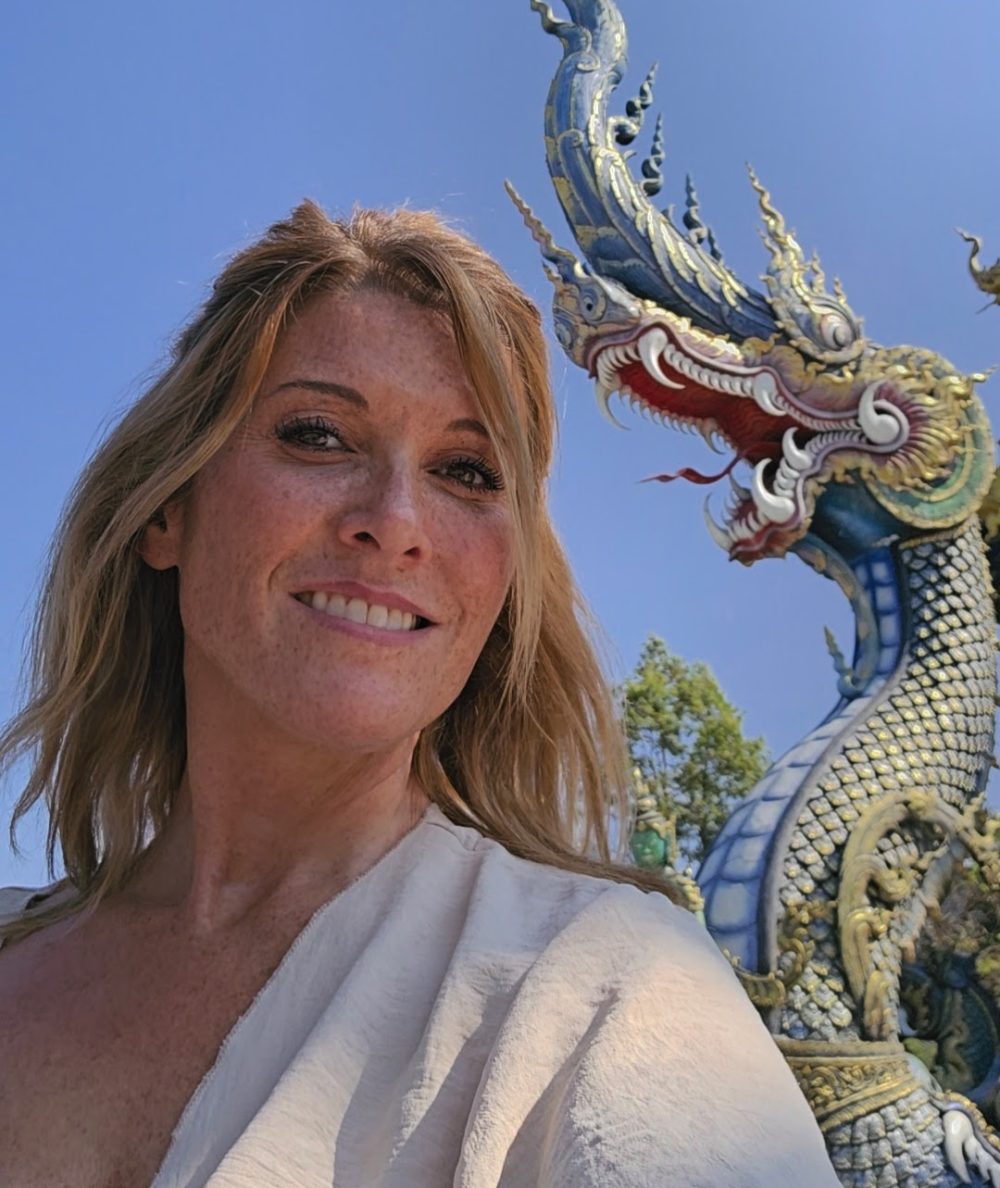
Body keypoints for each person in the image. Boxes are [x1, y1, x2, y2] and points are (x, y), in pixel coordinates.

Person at [0, 201, 840, 1188]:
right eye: (318, 435)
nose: (395, 523)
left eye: (465, 470)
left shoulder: (602, 990)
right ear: (165, 512)